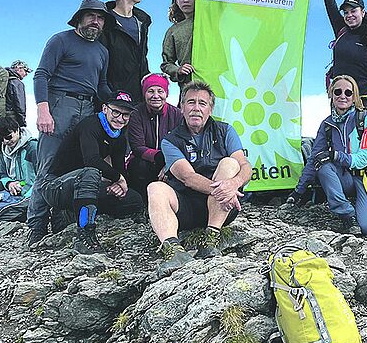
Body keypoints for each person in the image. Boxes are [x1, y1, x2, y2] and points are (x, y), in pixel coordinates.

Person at [28, 0, 114, 244]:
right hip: (59, 104)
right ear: (79, 18)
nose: (95, 22)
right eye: (91, 17)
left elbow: (101, 85)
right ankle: (36, 225)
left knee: (76, 165)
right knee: (48, 166)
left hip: (88, 107)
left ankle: (61, 219)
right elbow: (42, 74)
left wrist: (118, 102)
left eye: (100, 18)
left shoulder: (102, 51)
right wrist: (43, 110)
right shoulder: (60, 40)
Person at [148, 81, 251, 271]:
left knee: (230, 164)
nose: (196, 108)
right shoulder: (170, 140)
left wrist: (234, 184)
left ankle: (210, 240)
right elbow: (187, 177)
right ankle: (173, 250)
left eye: (202, 103)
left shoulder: (225, 131)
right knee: (155, 188)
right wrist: (224, 189)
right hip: (187, 208)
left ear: (210, 109)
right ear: (181, 108)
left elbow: (245, 166)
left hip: (222, 208)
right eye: (190, 102)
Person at [36, 92, 143, 254]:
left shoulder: (119, 137)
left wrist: (119, 186)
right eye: (116, 112)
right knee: (91, 173)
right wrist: (118, 178)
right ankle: (84, 235)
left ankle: (72, 213)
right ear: (105, 108)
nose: (120, 119)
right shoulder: (90, 125)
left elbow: (120, 169)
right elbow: (92, 160)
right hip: (55, 186)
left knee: (135, 199)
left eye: (126, 115)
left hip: (86, 185)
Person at [290, 75, 367, 235]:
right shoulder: (327, 124)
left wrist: (335, 155)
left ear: (354, 96)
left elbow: (363, 159)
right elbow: (313, 158)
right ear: (331, 94)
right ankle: (347, 216)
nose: (342, 96)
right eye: (337, 91)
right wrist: (298, 191)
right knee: (322, 165)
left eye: (348, 93)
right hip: (348, 177)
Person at [126, 73, 183, 199]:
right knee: (139, 165)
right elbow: (137, 147)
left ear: (166, 94)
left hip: (170, 161)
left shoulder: (177, 115)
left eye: (160, 91)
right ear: (144, 93)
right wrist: (160, 158)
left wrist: (169, 164)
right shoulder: (136, 113)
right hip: (146, 161)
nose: (155, 96)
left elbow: (182, 145)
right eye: (150, 91)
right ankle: (142, 202)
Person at [103, 0, 152, 103]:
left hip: (139, 95)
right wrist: (109, 94)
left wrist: (149, 81)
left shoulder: (143, 21)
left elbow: (143, 57)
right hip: (113, 96)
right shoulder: (105, 22)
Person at [0, 60, 32, 175]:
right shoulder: (17, 83)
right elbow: (20, 105)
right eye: (26, 71)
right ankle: (13, 178)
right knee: (14, 149)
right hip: (11, 120)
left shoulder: (0, 82)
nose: (26, 74)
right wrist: (22, 123)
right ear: (19, 68)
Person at [160, 0, 196, 90]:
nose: (185, 0)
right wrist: (178, 70)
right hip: (188, 86)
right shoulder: (173, 31)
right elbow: (166, 63)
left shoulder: (209, 22)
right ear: (176, 0)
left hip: (216, 83)